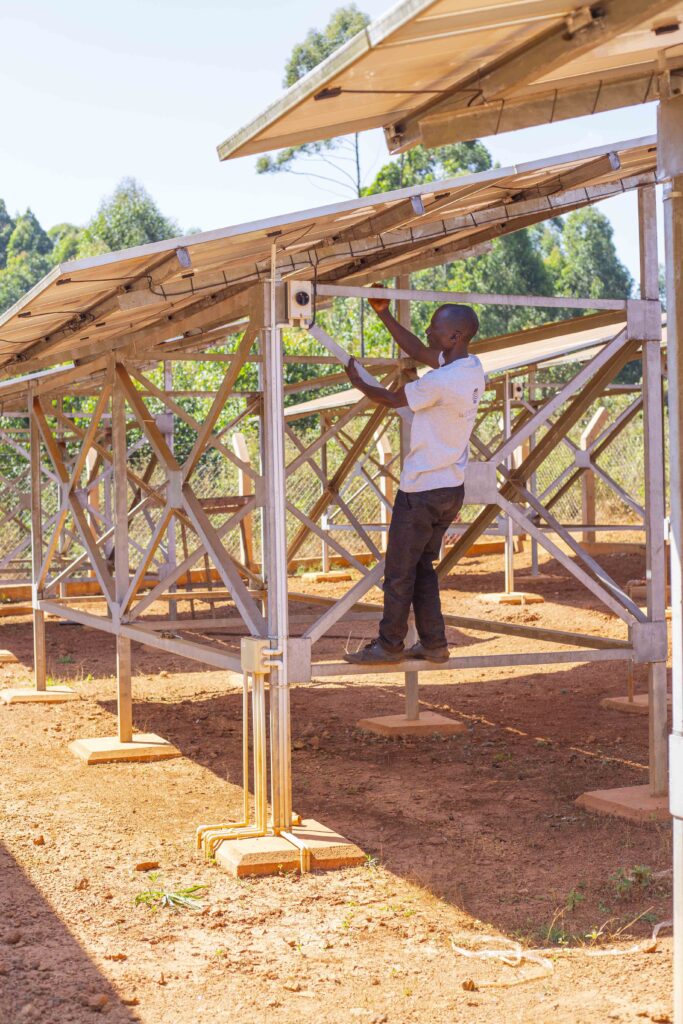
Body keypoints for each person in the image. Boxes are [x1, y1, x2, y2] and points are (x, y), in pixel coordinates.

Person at [343, 289, 484, 665]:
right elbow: (421, 351)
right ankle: (434, 643)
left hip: (421, 491)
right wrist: (384, 314)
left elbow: (391, 399)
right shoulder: (470, 368)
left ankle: (389, 644)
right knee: (422, 567)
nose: (428, 331)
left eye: (436, 328)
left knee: (399, 572)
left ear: (455, 337)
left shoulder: (441, 383)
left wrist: (357, 380)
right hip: (449, 489)